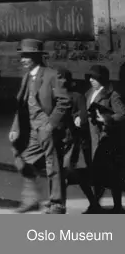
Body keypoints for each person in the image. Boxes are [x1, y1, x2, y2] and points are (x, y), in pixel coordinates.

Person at [9, 38, 70, 213]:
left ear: (36, 57)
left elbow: (64, 101)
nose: (22, 59)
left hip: (46, 126)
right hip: (31, 129)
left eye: (26, 56)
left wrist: (50, 124)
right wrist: (15, 128)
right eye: (22, 56)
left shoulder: (52, 74)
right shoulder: (26, 77)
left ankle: (57, 203)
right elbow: (21, 106)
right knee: (23, 161)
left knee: (53, 165)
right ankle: (32, 199)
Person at [82, 64, 125, 213]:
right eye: (90, 77)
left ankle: (117, 206)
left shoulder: (113, 95)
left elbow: (122, 114)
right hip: (93, 139)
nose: (92, 80)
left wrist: (106, 119)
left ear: (102, 79)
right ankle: (95, 204)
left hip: (107, 139)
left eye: (95, 78)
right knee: (97, 174)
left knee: (112, 175)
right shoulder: (89, 93)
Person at [55, 68, 91, 212]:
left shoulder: (77, 96)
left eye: (60, 78)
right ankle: (93, 201)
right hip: (57, 139)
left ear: (67, 80)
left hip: (71, 141)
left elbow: (83, 114)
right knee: (66, 174)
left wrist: (78, 117)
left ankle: (59, 205)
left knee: (63, 173)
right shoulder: (55, 96)